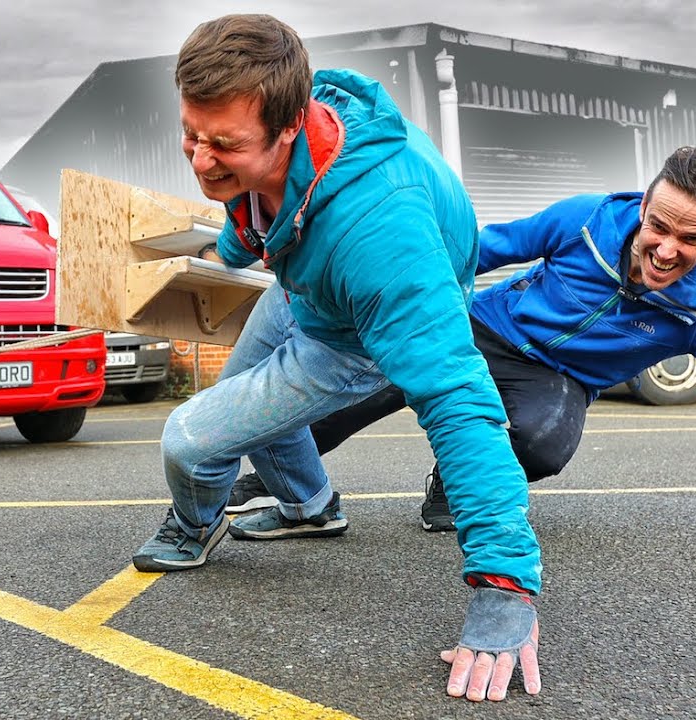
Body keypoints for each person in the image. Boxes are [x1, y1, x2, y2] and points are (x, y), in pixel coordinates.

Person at [131, 14, 542, 702]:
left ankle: (195, 525)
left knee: (192, 440)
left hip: (351, 329)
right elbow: (255, 214)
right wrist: (217, 256)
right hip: (307, 287)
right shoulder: (294, 117)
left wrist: (504, 586)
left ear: (289, 127)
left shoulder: (382, 235)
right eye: (191, 135)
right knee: (247, 413)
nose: (200, 160)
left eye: (222, 145)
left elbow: (459, 400)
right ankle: (311, 507)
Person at [231, 145, 696, 573]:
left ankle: (453, 482)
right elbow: (480, 249)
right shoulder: (587, 221)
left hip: (558, 377)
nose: (664, 249)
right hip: (487, 328)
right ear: (644, 202)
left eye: (691, 239)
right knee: (368, 371)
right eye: (659, 225)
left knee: (545, 443)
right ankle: (289, 475)